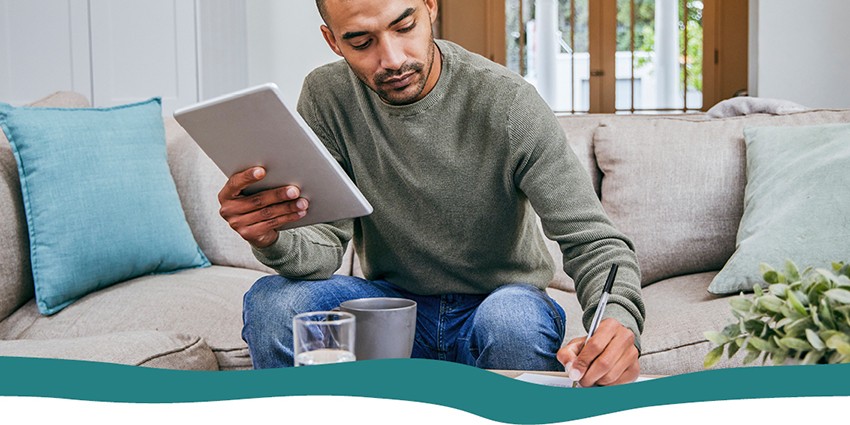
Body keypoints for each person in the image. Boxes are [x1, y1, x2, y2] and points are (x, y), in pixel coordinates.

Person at [218, 0, 645, 386]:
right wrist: (271, 236)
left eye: (405, 27)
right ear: (333, 41)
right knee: (274, 303)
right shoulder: (328, 97)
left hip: (497, 306)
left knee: (512, 320)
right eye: (362, 42)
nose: (393, 58)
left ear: (430, 6)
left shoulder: (509, 103)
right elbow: (325, 246)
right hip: (390, 312)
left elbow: (594, 242)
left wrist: (618, 322)